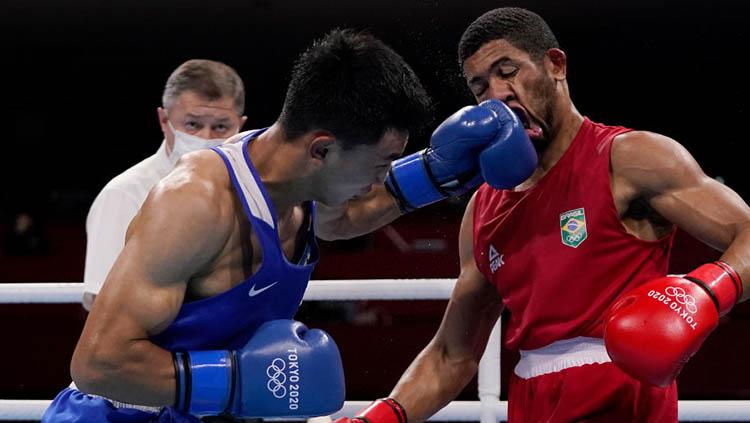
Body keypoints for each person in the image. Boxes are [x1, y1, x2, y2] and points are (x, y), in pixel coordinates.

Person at [43, 28, 536, 422]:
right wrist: (238, 380)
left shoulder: (299, 186)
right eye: (379, 165)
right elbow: (97, 363)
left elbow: (346, 218)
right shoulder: (196, 202)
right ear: (320, 149)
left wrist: (436, 173)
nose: (378, 182)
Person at [338, 7, 750, 423]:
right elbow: (452, 354)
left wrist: (706, 293)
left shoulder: (629, 159)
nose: (497, 94)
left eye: (508, 71)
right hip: (532, 400)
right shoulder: (484, 208)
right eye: (480, 87)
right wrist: (376, 418)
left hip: (623, 395)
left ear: (555, 65)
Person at [82, 59, 248, 311]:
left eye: (220, 127)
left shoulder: (252, 193)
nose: (206, 138)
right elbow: (103, 308)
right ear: (164, 120)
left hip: (233, 342)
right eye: (192, 124)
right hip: (159, 346)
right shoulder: (124, 194)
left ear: (241, 126)